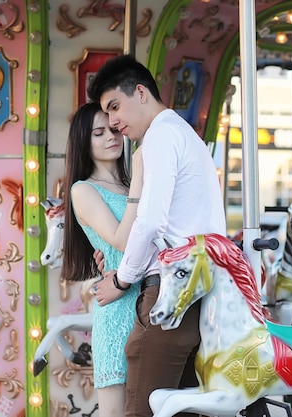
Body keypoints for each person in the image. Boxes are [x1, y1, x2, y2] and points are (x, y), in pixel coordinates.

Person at [87, 54, 226, 417]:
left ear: (141, 92)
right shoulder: (185, 136)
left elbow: (150, 222)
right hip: (194, 294)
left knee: (140, 410)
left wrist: (121, 277)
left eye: (115, 107)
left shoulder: (161, 135)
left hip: (168, 293)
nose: (114, 123)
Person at [60, 101, 144, 417]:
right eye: (99, 132)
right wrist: (140, 182)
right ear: (84, 141)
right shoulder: (84, 190)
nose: (111, 136)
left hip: (148, 299)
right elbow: (122, 239)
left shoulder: (128, 185)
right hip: (118, 307)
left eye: (114, 128)